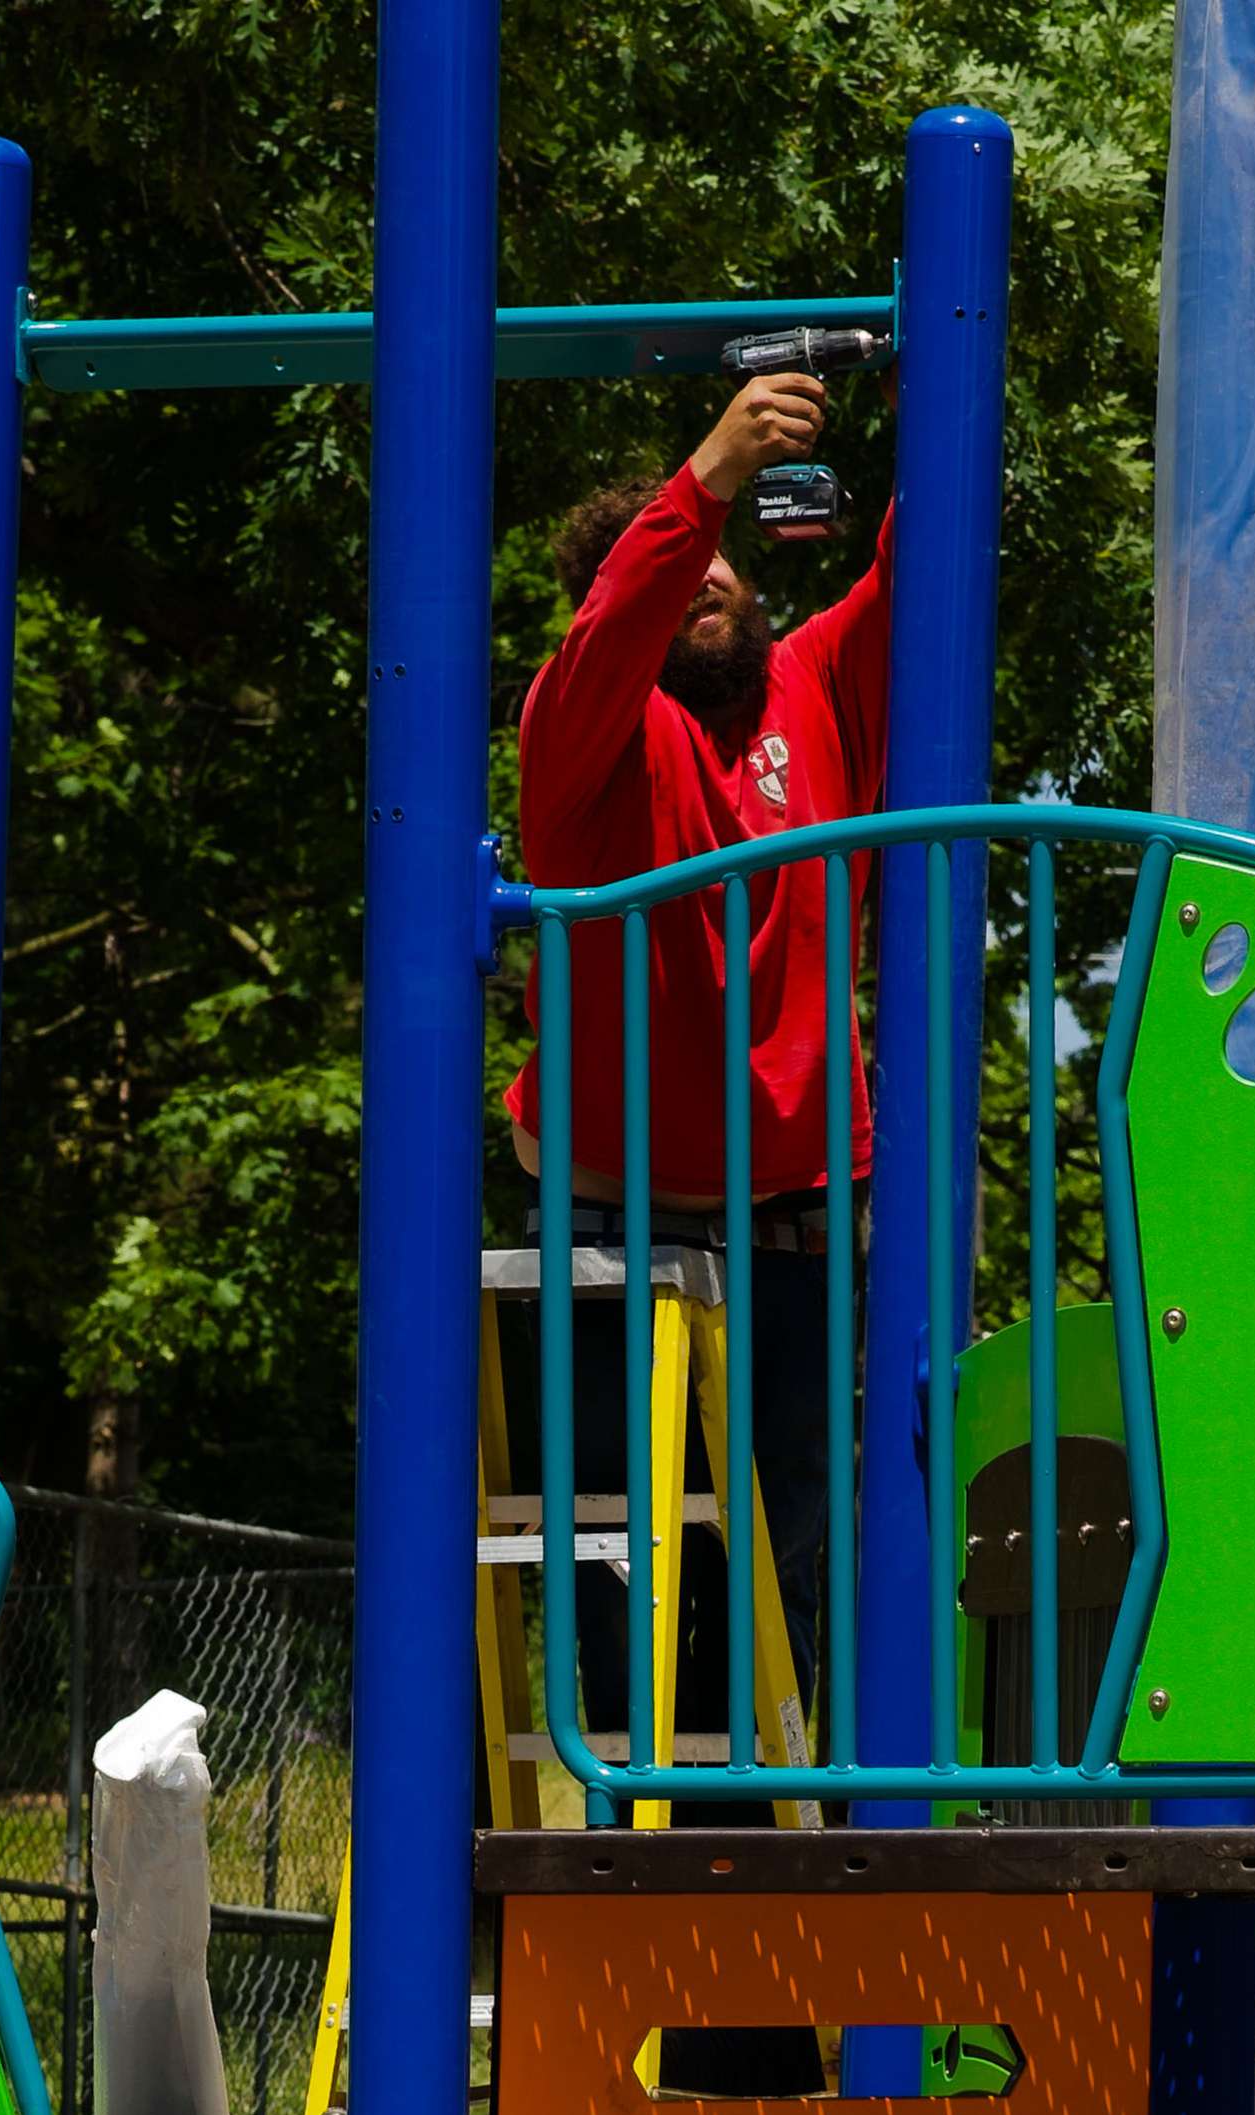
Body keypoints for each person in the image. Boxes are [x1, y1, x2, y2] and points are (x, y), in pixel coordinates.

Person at [506, 365, 894, 1743]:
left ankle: (799, 1821)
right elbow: (617, 623)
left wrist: (923, 382)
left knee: (794, 1533)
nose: (707, 577)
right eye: (682, 565)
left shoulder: (810, 685)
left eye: (725, 563)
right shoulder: (587, 738)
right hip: (620, 1226)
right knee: (632, 1545)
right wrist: (709, 468)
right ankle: (639, 1824)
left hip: (792, 1219)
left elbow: (926, 568)